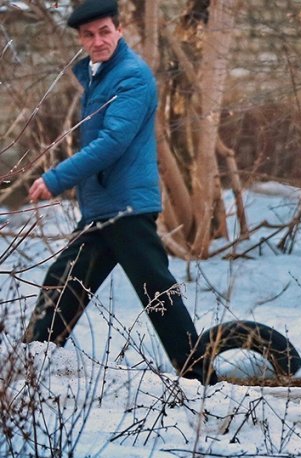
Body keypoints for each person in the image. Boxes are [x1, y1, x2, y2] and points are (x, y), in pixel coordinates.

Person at [25, 0, 214, 384]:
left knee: (159, 297)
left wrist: (57, 178)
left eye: (104, 32)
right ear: (81, 38)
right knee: (64, 285)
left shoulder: (131, 76)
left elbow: (113, 142)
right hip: (103, 208)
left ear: (119, 29)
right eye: (89, 35)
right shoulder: (98, 76)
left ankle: (204, 385)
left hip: (126, 208)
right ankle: (29, 372)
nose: (97, 41)